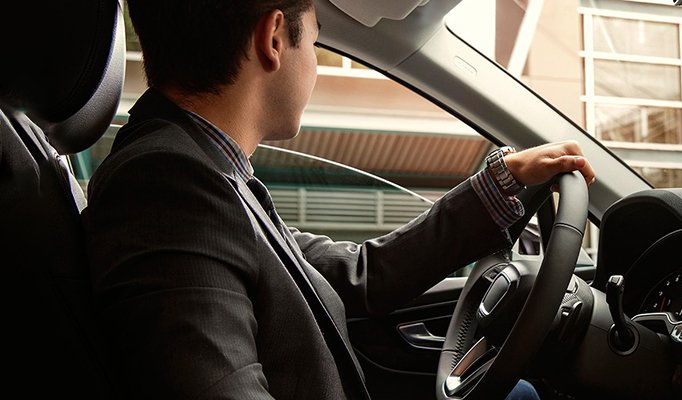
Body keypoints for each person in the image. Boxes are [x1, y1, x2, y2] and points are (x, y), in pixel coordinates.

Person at [82, 0, 594, 398]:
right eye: (315, 41)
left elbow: (360, 275)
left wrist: (501, 182)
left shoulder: (207, 172)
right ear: (275, 39)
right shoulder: (167, 185)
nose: (315, 63)